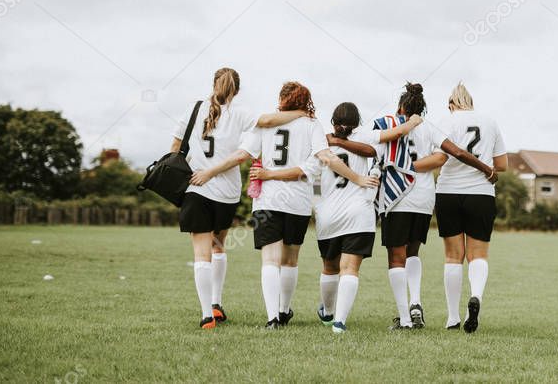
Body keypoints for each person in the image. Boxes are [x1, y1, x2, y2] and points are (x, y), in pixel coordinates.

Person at [190, 83, 385, 329]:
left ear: (282, 100)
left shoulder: (265, 123)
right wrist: (357, 178)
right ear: (305, 102)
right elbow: (322, 160)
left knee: (270, 261)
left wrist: (214, 172)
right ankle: (284, 311)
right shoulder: (312, 124)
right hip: (297, 202)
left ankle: (273, 318)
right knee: (290, 261)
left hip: (268, 201)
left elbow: (243, 154)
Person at [172, 67, 309, 329]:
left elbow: (175, 148)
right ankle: (216, 302)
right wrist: (301, 113)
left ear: (213, 84)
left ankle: (206, 316)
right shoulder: (240, 113)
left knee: (201, 253)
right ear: (236, 89)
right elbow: (268, 122)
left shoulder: (193, 109)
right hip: (225, 192)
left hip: (195, 187)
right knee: (218, 247)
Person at [378, 82, 493, 330]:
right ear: (423, 108)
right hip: (423, 197)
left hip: (398, 197)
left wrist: (401, 167)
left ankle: (406, 319)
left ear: (400, 106)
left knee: (396, 258)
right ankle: (416, 302)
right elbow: (444, 156)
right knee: (412, 253)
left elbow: (374, 150)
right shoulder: (429, 127)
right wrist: (486, 168)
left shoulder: (388, 126)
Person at [315, 101, 420, 334]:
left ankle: (328, 313)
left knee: (329, 268)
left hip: (328, 214)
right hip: (359, 213)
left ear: (333, 121)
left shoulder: (321, 140)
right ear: (358, 122)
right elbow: (397, 132)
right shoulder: (365, 135)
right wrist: (412, 121)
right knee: (350, 269)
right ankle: (339, 323)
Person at [416, 82, 506, 333]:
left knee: (453, 257)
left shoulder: (446, 121)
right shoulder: (490, 121)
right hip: (481, 194)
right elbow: (503, 164)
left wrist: (409, 166)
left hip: (449, 193)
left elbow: (440, 158)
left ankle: (453, 318)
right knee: (478, 255)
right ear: (471, 102)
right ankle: (475, 297)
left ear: (451, 104)